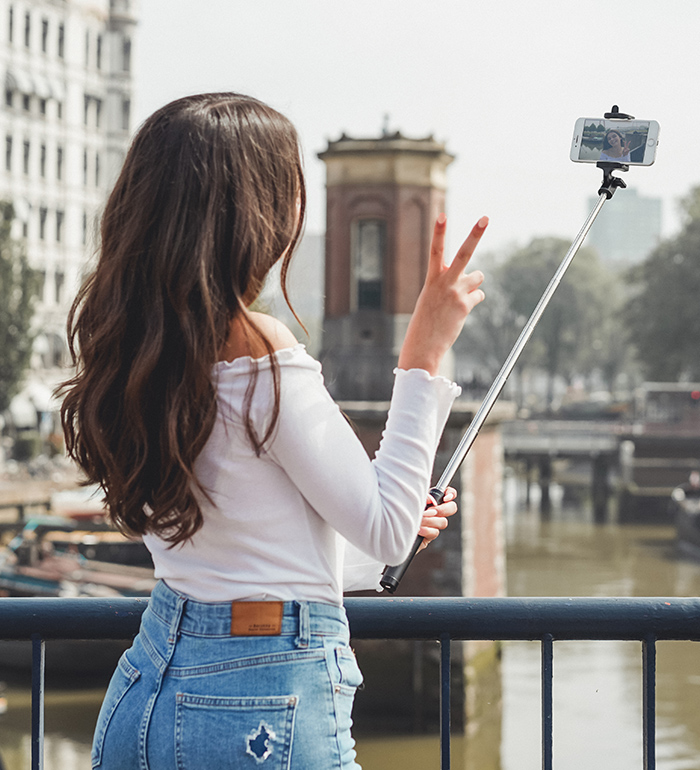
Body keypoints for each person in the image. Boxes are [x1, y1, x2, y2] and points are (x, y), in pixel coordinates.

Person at [59, 93, 487, 770]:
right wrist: (424, 355)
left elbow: (232, 550)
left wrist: (379, 543)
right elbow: (386, 528)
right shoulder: (260, 349)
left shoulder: (135, 354)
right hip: (260, 705)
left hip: (146, 691)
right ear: (255, 212)